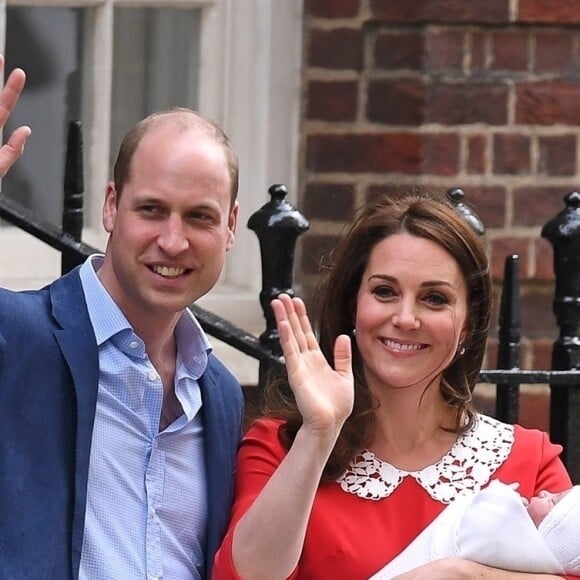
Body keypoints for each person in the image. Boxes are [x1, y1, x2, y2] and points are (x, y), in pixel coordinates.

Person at [212, 190, 576, 580]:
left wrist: (458, 574)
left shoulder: (529, 461)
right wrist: (320, 432)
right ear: (354, 305)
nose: (405, 318)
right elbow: (245, 576)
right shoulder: (280, 448)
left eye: (434, 298)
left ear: (469, 322)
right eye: (384, 291)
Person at [0, 55, 244, 579]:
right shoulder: (17, 335)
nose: (173, 240)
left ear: (230, 227)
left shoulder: (220, 393)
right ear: (111, 207)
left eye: (199, 216)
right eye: (152, 210)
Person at [370, 480, 580, 578]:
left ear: (555, 531)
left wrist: (460, 572)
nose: (545, 493)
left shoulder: (499, 525)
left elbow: (487, 514)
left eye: (555, 500)